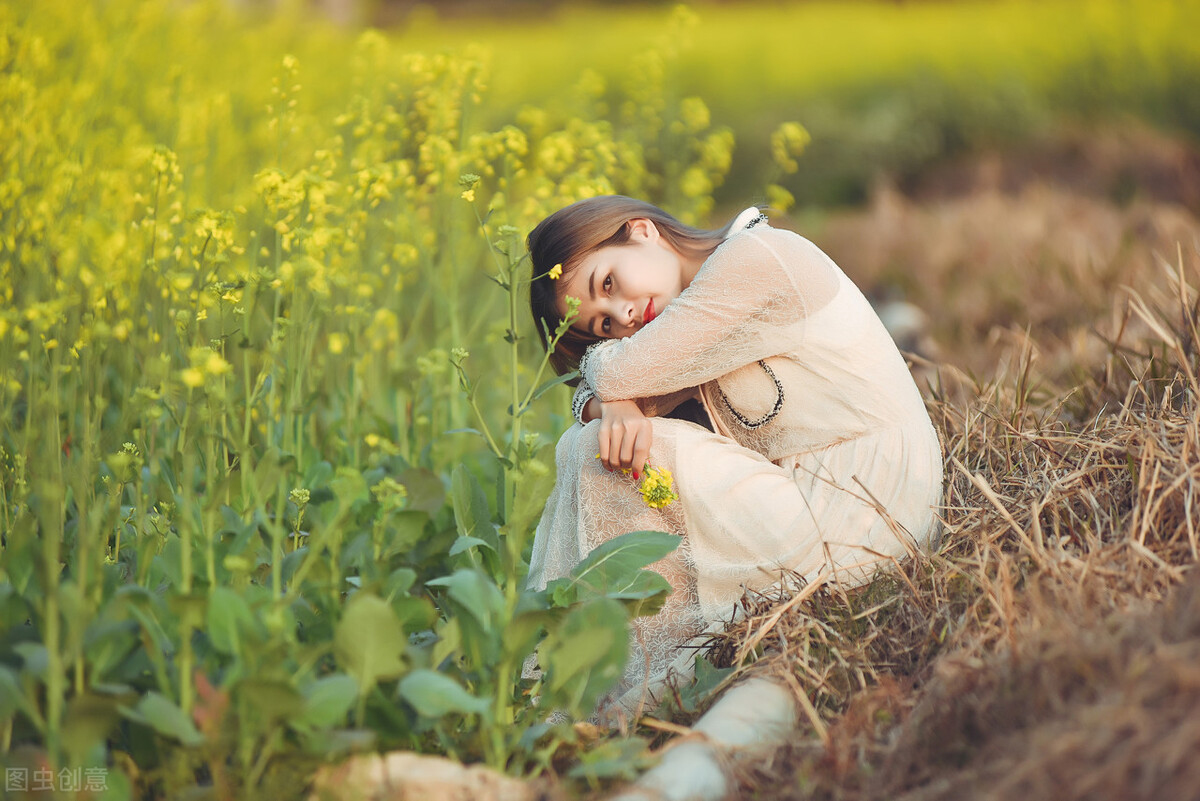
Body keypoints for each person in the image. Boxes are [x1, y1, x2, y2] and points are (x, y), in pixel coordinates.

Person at [524, 196, 943, 724]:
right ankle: (617, 670)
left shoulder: (755, 259)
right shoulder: (686, 314)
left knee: (600, 451)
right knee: (605, 449)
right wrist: (613, 402)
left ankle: (583, 685)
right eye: (605, 325)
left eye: (607, 284)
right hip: (830, 502)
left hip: (870, 505)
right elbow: (591, 395)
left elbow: (610, 376)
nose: (624, 314)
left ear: (641, 231)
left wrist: (614, 393)